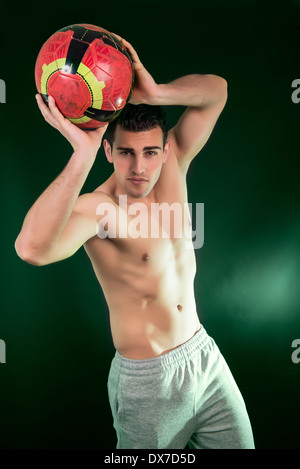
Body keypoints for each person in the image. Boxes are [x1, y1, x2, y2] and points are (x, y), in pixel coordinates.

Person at [15, 35, 255, 449]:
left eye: (149, 152)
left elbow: (217, 91)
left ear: (165, 150)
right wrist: (81, 155)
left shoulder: (175, 163)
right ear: (109, 151)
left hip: (205, 358)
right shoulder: (99, 209)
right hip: (149, 382)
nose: (139, 167)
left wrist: (158, 92)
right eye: (125, 152)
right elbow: (31, 249)